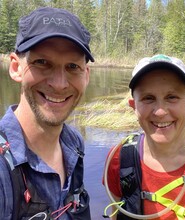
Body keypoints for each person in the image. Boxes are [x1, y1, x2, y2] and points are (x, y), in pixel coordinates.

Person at [0, 6, 94, 220]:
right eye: (42, 62)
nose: (59, 84)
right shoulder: (4, 171)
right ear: (15, 67)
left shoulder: (73, 143)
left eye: (72, 66)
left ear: (86, 75)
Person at [103, 54, 185, 220]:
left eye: (172, 97)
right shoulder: (118, 160)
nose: (160, 111)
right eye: (148, 98)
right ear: (133, 106)